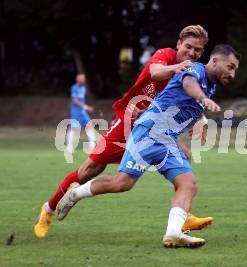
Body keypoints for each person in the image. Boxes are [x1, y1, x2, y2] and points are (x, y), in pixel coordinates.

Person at [34, 25, 213, 238]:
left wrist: (201, 119)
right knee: (89, 170)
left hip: (155, 129)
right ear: (178, 44)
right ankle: (48, 210)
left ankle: (184, 216)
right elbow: (155, 72)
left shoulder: (192, 73)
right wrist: (175, 68)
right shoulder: (165, 55)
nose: (192, 53)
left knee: (184, 157)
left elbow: (191, 100)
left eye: (198, 51)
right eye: (188, 47)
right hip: (127, 122)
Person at [56, 44, 240, 248]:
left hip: (166, 139)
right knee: (122, 184)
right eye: (230, 67)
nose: (232, 74)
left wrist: (200, 121)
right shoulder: (195, 69)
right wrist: (203, 99)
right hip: (149, 131)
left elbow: (182, 100)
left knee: (188, 183)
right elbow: (188, 84)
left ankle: (173, 234)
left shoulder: (210, 85)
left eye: (235, 69)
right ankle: (75, 193)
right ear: (214, 61)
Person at [66, 73, 95, 154]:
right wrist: (86, 107)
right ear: (77, 79)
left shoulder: (83, 88)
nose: (83, 80)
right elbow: (75, 101)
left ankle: (92, 147)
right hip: (76, 112)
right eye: (81, 78)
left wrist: (85, 108)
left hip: (82, 111)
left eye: (84, 78)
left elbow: (81, 99)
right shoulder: (74, 87)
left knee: (90, 125)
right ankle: (69, 148)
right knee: (74, 129)